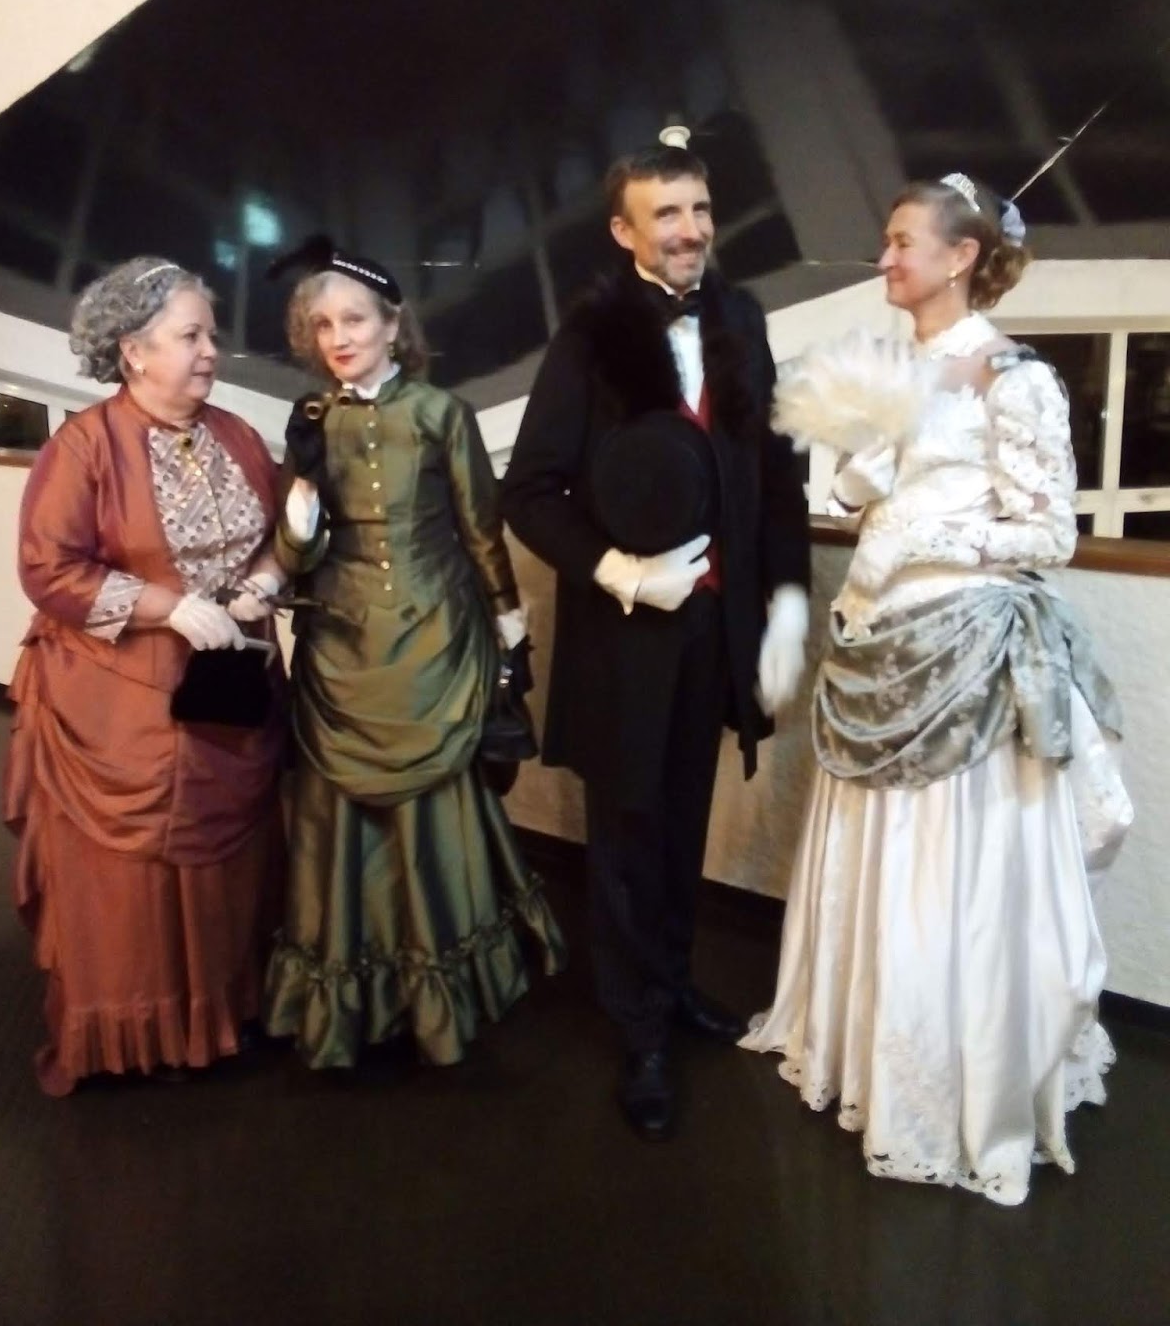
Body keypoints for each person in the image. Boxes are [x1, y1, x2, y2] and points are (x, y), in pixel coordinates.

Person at [740, 173, 1134, 1205]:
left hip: (966, 649)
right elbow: (857, 494)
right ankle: (870, 1047)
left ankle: (959, 1077)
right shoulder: (900, 369)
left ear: (961, 257)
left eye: (902, 242)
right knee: (880, 846)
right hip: (877, 639)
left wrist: (927, 537)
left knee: (953, 859)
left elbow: (1051, 533)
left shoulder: (1014, 376)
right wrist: (876, 473)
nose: (885, 259)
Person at [500, 141, 811, 1140]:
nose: (689, 230)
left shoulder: (740, 319)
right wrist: (624, 574)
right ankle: (636, 1029)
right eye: (665, 213)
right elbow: (529, 492)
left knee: (685, 819)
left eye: (699, 208)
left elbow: (774, 471)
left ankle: (672, 985)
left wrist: (785, 604)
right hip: (630, 632)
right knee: (629, 834)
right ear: (623, 230)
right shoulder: (590, 336)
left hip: (717, 626)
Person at [262, 239, 565, 1069]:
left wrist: (509, 629)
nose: (338, 337)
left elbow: (481, 532)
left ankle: (444, 982)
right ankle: (353, 985)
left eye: (354, 320)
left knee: (433, 806)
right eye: (323, 325)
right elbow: (297, 548)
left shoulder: (441, 414)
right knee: (339, 820)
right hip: (341, 644)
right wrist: (296, 513)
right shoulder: (312, 419)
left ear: (393, 326)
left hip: (433, 639)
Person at [4, 257, 287, 1096]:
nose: (211, 353)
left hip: (230, 689)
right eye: (191, 336)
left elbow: (277, 533)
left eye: (211, 336)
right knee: (136, 881)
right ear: (133, 351)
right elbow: (49, 569)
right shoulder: (84, 445)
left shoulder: (237, 435)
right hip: (122, 702)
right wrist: (165, 606)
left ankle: (221, 1016)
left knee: (226, 867)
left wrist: (267, 577)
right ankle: (139, 1036)